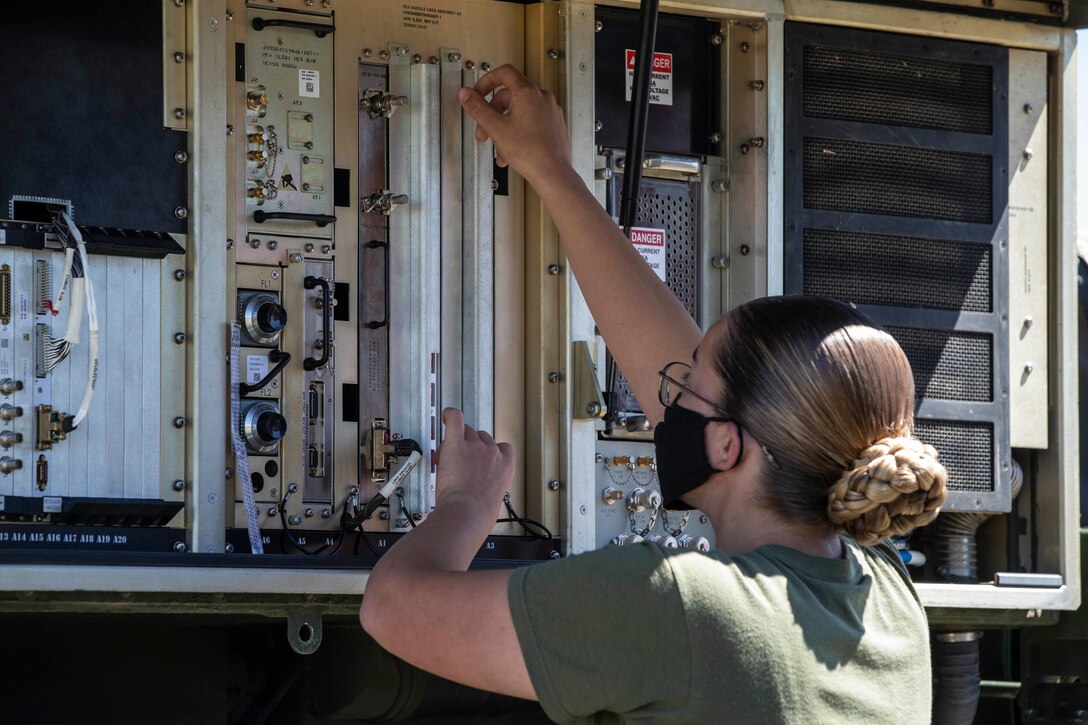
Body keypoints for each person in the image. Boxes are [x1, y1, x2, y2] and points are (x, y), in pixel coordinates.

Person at [360, 65, 947, 724]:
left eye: (688, 380)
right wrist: (553, 170)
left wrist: (466, 503)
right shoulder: (889, 595)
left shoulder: (678, 604)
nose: (668, 391)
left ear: (727, 444)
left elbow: (394, 607)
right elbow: (679, 362)